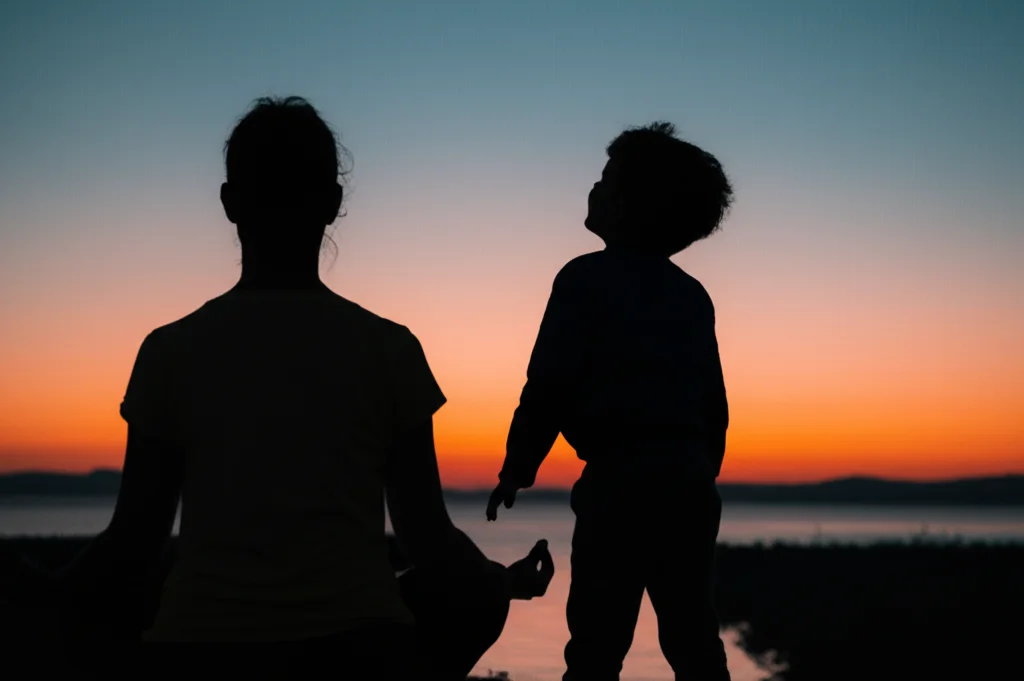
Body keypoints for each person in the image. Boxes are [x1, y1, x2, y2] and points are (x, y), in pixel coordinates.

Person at [13, 96, 553, 680]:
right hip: (362, 651)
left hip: (199, 651)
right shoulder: (389, 349)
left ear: (230, 204)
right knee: (473, 597)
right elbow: (428, 540)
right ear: (334, 203)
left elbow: (134, 543)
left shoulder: (169, 351)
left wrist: (43, 592)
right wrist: (504, 583)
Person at [486, 122, 734, 681]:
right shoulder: (691, 296)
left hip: (618, 485)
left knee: (597, 641)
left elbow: (548, 383)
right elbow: (714, 406)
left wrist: (518, 467)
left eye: (606, 181)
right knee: (695, 637)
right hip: (689, 487)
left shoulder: (584, 278)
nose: (594, 190)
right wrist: (700, 473)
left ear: (629, 206)